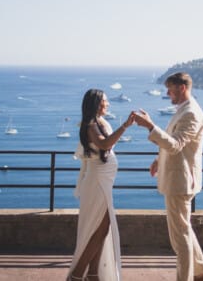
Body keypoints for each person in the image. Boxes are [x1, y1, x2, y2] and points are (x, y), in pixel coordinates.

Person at [131, 72, 203, 281]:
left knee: (180, 237)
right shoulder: (184, 110)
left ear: (182, 88)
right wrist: (159, 161)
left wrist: (150, 126)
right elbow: (174, 143)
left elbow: (176, 145)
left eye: (170, 89)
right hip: (178, 179)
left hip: (181, 182)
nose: (167, 93)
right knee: (183, 231)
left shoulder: (191, 113)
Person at [67, 89, 134, 281]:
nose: (108, 104)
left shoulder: (98, 123)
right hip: (97, 183)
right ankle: (78, 274)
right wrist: (125, 126)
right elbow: (105, 145)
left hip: (102, 182)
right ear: (97, 104)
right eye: (105, 101)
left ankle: (93, 274)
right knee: (100, 228)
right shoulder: (90, 126)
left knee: (102, 229)